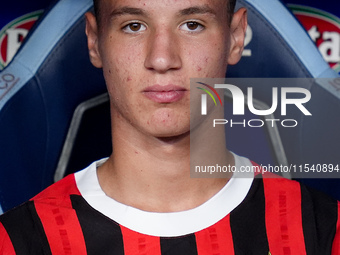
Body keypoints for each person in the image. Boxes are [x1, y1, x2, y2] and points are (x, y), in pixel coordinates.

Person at [0, 0, 339, 254]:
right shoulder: (18, 242)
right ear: (94, 40)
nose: (162, 59)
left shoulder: (323, 232)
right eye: (134, 25)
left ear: (236, 36)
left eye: (192, 24)